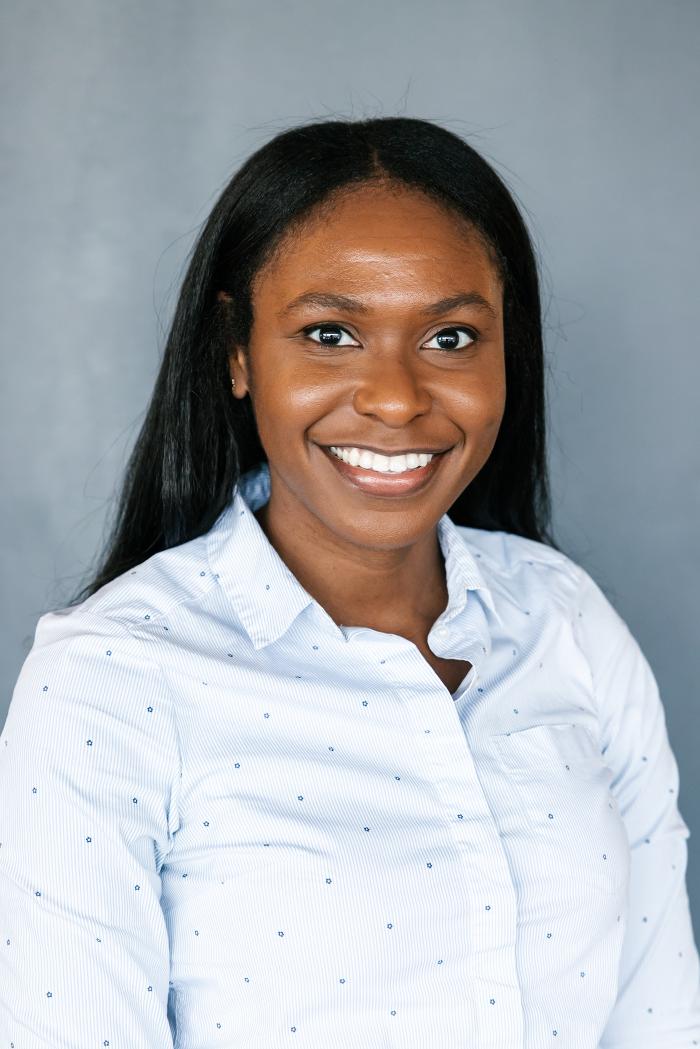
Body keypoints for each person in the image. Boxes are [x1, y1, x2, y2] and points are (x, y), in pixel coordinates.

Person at [0, 116, 698, 1048]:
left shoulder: (566, 619)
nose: (397, 398)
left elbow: (659, 1016)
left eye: (451, 336)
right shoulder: (111, 681)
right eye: (330, 333)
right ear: (238, 351)